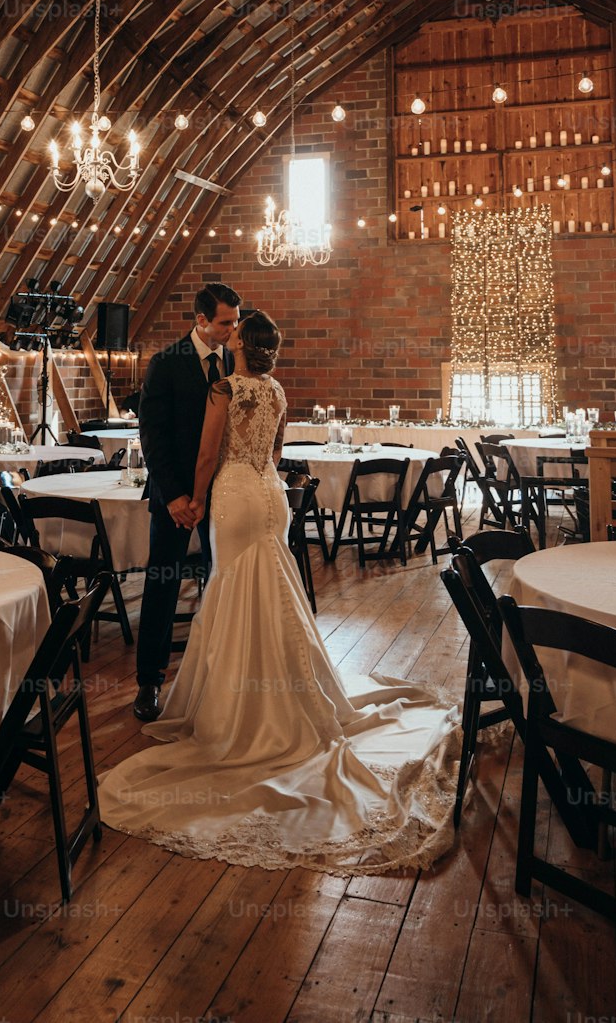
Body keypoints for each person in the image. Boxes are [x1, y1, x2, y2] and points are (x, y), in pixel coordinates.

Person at [99, 311, 462, 875]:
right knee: (271, 586)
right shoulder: (275, 390)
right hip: (271, 496)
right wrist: (250, 478)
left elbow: (205, 456)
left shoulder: (225, 388)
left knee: (234, 588)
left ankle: (241, 710)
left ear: (241, 342)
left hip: (233, 496)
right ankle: (287, 695)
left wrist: (195, 501)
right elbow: (272, 454)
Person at [131, 281, 241, 722]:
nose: (233, 329)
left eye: (235, 320)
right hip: (174, 495)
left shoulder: (234, 360)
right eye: (225, 322)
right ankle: (149, 682)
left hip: (222, 493)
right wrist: (177, 495)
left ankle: (214, 678)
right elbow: (151, 436)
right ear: (200, 320)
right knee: (163, 583)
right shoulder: (166, 363)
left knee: (220, 581)